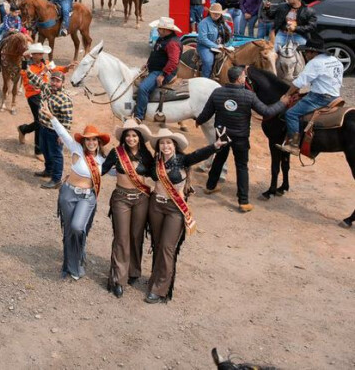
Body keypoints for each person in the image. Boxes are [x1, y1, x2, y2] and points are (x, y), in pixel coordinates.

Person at [145, 128, 225, 303]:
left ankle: (160, 289)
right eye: (162, 143)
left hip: (174, 209)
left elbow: (198, 154)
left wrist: (215, 146)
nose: (165, 146)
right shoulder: (155, 162)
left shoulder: (183, 160)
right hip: (155, 205)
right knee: (157, 244)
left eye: (169, 142)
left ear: (174, 145)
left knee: (167, 247)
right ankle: (155, 278)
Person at [198, 65, 287, 211]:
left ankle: (210, 186)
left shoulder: (217, 92)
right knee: (241, 166)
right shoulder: (249, 95)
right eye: (244, 76)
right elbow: (266, 111)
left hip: (222, 133)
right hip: (240, 136)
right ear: (239, 79)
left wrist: (199, 121)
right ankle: (243, 201)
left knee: (219, 158)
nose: (245, 78)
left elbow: (206, 113)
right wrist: (282, 103)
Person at [47, 116, 109, 281]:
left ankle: (78, 254)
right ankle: (71, 266)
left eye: (94, 139)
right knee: (69, 230)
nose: (91, 142)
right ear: (83, 141)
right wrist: (51, 117)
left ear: (99, 141)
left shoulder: (103, 159)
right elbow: (62, 132)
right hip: (68, 194)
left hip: (87, 198)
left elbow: (120, 171)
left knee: (77, 227)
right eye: (88, 139)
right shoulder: (76, 149)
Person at [99, 120, 154, 298]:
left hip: (141, 199)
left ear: (139, 137)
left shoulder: (146, 154)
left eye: (134, 135)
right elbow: (101, 170)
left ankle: (133, 271)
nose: (131, 138)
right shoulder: (117, 153)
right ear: (123, 137)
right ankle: (117, 279)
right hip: (121, 198)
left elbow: (157, 174)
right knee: (121, 238)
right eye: (128, 135)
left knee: (136, 236)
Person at [280, 39, 344, 154]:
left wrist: (287, 95)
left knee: (291, 114)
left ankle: (293, 145)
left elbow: (299, 83)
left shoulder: (315, 63)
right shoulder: (335, 60)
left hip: (320, 98)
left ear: (313, 52)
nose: (305, 55)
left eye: (306, 52)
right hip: (335, 96)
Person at [134, 17, 182, 121]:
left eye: (159, 28)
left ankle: (139, 116)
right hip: (156, 69)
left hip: (162, 72)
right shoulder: (163, 38)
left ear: (165, 30)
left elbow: (173, 61)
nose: (157, 30)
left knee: (143, 88)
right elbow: (155, 52)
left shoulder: (172, 43)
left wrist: (163, 75)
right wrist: (147, 64)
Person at [195, 4, 230, 79]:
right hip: (205, 47)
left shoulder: (223, 23)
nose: (217, 15)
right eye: (214, 13)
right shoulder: (204, 23)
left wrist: (227, 44)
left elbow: (229, 33)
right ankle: (205, 79)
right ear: (210, 12)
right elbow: (202, 39)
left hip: (221, 46)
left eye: (218, 13)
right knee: (208, 61)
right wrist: (216, 46)